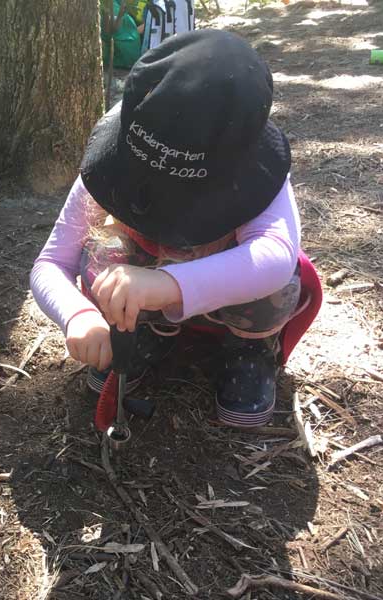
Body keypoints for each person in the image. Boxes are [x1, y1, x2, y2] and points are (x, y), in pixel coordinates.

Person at [30, 29, 321, 429]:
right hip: (143, 284)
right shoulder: (118, 158)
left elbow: (273, 259)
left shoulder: (256, 175)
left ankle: (249, 348)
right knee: (102, 256)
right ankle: (141, 332)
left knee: (274, 287)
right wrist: (78, 314)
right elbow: (50, 262)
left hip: (225, 288)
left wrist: (166, 284)